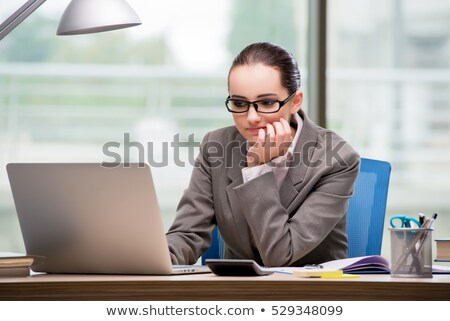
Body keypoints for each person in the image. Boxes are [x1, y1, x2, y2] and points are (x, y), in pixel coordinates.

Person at [166, 42, 360, 267]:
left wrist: (258, 169)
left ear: (295, 101)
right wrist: (153, 259)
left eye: (267, 102)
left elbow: (280, 257)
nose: (251, 118)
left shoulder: (337, 159)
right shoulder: (215, 147)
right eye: (239, 103)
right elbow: (188, 234)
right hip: (237, 294)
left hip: (308, 293)